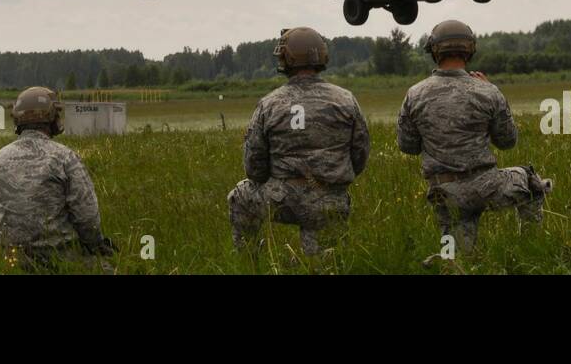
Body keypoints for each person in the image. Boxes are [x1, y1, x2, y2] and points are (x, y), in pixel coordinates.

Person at [397, 19, 551, 256]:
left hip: (444, 192)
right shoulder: (487, 91)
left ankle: (456, 262)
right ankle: (531, 250)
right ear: (469, 49)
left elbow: (407, 146)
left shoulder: (414, 94)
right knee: (532, 183)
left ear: (435, 51)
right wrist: (493, 93)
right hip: (486, 186)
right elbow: (507, 141)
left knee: (455, 259)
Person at [228, 27, 371, 256]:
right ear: (322, 56)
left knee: (240, 196)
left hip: (282, 200)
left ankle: (249, 261)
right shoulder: (346, 100)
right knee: (326, 263)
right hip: (331, 200)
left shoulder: (269, 104)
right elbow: (360, 155)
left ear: (286, 58)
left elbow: (254, 167)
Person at [0, 86, 115, 271]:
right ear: (51, 117)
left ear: (18, 120)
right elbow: (87, 218)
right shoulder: (65, 157)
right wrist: (97, 247)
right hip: (61, 258)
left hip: (12, 261)